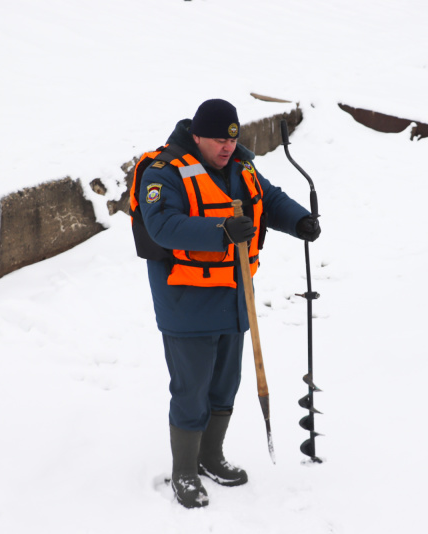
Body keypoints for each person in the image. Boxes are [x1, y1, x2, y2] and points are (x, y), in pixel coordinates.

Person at [133, 99, 321, 508]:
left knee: (224, 386)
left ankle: (211, 455)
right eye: (218, 140)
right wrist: (221, 230)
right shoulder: (164, 173)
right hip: (186, 302)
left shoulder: (242, 166)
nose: (226, 148)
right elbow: (162, 224)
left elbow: (268, 199)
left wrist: (299, 220)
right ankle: (184, 471)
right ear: (196, 135)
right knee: (191, 391)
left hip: (234, 298)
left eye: (232, 140)